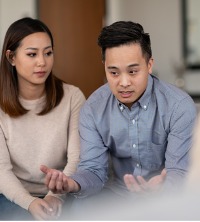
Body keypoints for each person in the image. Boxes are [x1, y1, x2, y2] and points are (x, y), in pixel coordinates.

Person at [41, 21, 197, 219]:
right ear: (104, 67)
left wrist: (163, 189)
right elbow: (94, 170)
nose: (123, 83)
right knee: (80, 210)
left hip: (165, 197)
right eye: (113, 72)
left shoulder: (179, 106)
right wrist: (71, 183)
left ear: (149, 65)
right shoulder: (93, 108)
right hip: (116, 196)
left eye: (133, 71)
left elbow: (179, 173)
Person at [0, 17, 85, 220]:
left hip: (64, 190)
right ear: (11, 57)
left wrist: (56, 196)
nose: (42, 62)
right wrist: (29, 203)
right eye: (32, 54)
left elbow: (77, 158)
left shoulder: (73, 97)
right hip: (14, 195)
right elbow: (1, 170)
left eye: (48, 53)